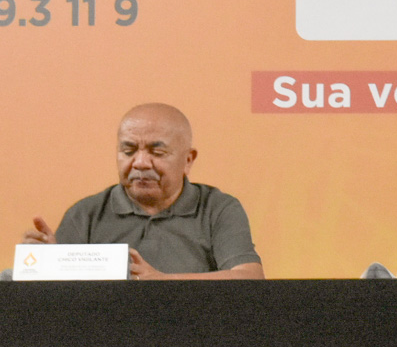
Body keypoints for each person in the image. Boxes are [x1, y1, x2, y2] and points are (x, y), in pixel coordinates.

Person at [21, 103, 264, 280]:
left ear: (188, 160)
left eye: (156, 153)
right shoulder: (86, 213)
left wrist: (163, 282)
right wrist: (49, 264)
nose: (140, 163)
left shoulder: (217, 208)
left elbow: (249, 277)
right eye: (128, 151)